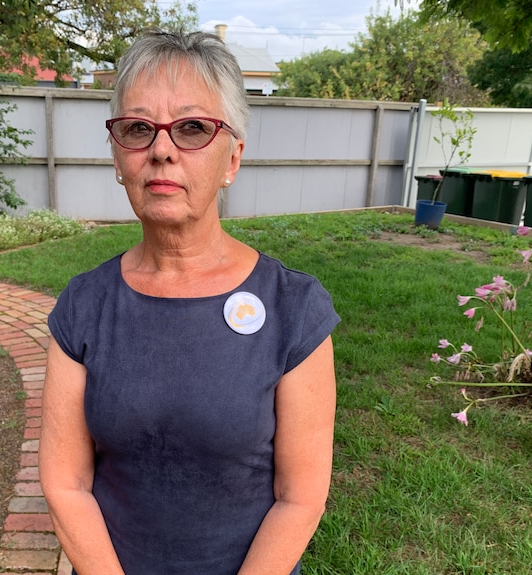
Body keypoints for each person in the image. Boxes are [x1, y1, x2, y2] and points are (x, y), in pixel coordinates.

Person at [39, 29, 340, 575]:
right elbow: (66, 483)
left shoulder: (295, 309)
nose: (161, 149)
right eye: (137, 129)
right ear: (117, 157)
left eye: (193, 128)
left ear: (232, 159)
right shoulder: (84, 307)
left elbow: (300, 498)